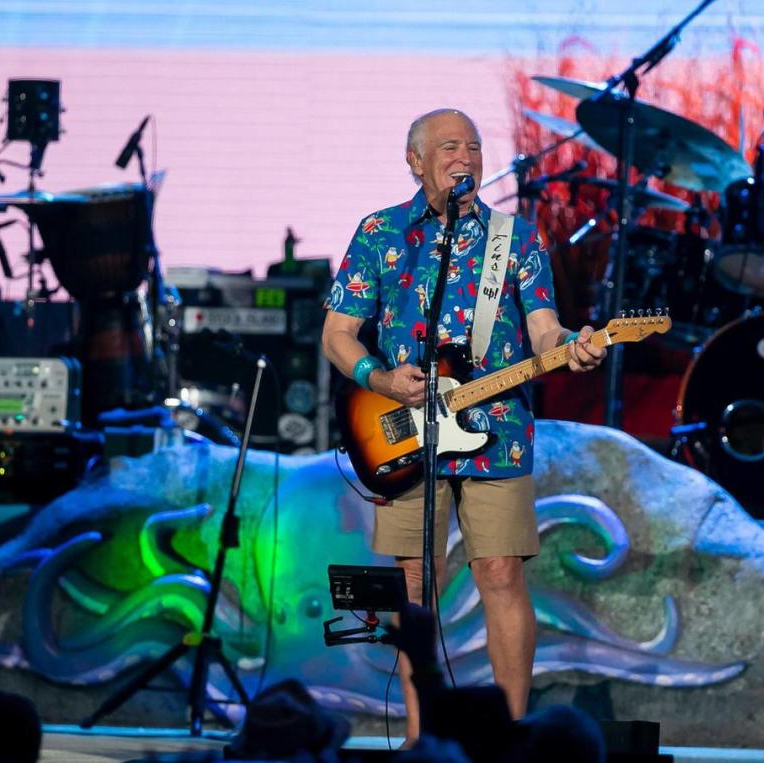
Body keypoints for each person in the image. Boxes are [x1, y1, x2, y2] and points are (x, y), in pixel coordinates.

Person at [321, 108, 604, 741]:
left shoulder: (516, 237)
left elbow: (542, 328)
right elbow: (337, 333)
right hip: (405, 426)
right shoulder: (381, 231)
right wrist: (380, 378)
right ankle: (423, 742)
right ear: (415, 161)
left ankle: (509, 739)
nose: (465, 157)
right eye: (449, 146)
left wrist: (572, 343)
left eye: (474, 147)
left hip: (497, 426)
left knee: (501, 571)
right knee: (414, 581)